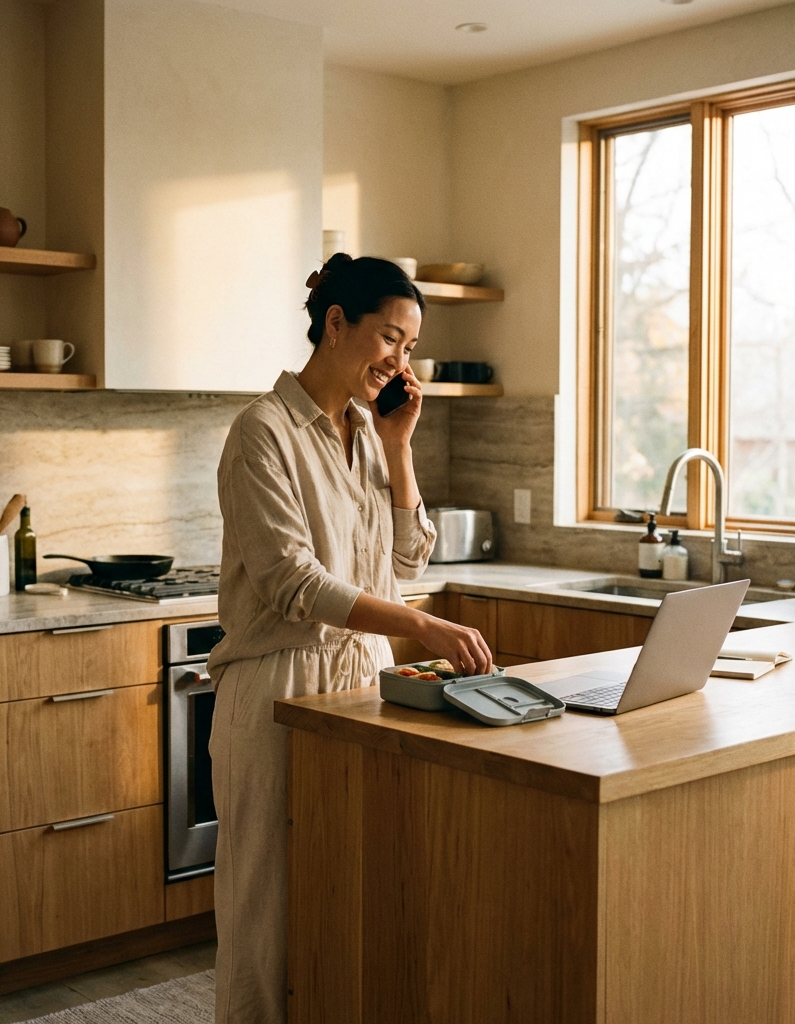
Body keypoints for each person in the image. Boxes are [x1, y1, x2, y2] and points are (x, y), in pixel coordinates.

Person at [208, 254, 493, 1023]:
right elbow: (293, 585)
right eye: (390, 340)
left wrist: (401, 448)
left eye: (408, 349)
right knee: (267, 908)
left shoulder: (368, 433)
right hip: (278, 687)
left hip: (362, 682)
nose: (401, 362)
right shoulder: (261, 433)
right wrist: (423, 625)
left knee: (350, 895)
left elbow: (407, 558)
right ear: (337, 324)